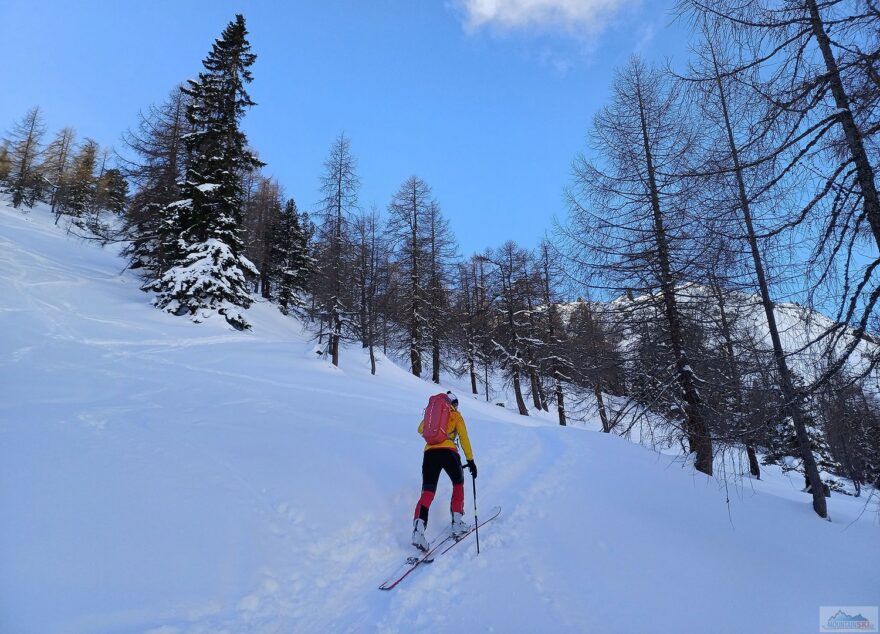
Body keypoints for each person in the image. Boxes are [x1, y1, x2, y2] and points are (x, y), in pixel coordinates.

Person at [411, 391, 477, 551]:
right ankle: (457, 523)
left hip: (429, 453)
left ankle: (418, 531)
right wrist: (471, 461)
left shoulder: (434, 415)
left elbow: (421, 429)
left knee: (427, 491)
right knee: (458, 484)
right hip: (449, 452)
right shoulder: (456, 416)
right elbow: (464, 438)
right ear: (454, 404)